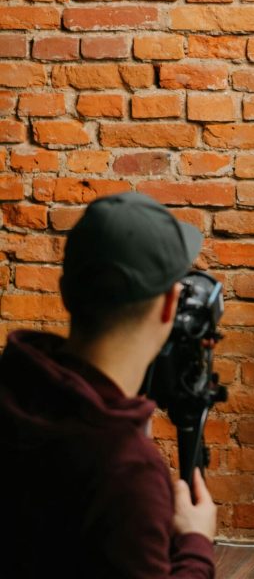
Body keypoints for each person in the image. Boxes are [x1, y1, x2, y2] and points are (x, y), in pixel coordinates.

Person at [0, 192, 217, 579]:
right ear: (169, 305)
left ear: (66, 292)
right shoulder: (127, 472)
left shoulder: (15, 390)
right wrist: (197, 544)